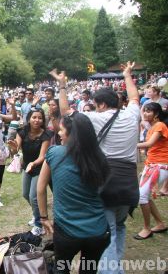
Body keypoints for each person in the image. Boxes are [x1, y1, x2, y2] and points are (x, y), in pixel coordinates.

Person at [51, 62, 140, 274]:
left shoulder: (95, 118)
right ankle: (115, 263)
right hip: (129, 186)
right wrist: (127, 75)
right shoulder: (132, 115)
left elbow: (65, 113)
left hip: (107, 183)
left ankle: (112, 270)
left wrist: (62, 86)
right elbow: (135, 98)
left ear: (99, 104)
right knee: (119, 226)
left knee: (108, 232)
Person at [38, 112, 110, 274]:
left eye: (62, 130)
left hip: (67, 232)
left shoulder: (55, 153)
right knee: (88, 270)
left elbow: (40, 187)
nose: (59, 133)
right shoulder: (100, 157)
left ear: (73, 134)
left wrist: (43, 217)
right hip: (98, 232)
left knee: (61, 269)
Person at [8, 109, 51, 236]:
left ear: (43, 120)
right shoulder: (22, 132)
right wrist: (13, 147)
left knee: (34, 196)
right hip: (27, 167)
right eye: (34, 117)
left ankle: (39, 225)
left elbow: (43, 156)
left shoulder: (46, 135)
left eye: (40, 118)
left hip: (40, 168)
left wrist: (34, 163)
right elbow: (16, 149)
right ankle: (36, 215)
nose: (37, 120)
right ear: (29, 119)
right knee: (26, 194)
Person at [134, 103, 168, 240]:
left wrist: (127, 145)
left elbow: (149, 144)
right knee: (144, 196)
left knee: (142, 196)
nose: (146, 114)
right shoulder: (151, 128)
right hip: (151, 165)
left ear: (157, 114)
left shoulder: (160, 126)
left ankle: (147, 228)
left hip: (160, 165)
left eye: (149, 111)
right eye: (145, 111)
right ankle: (160, 224)